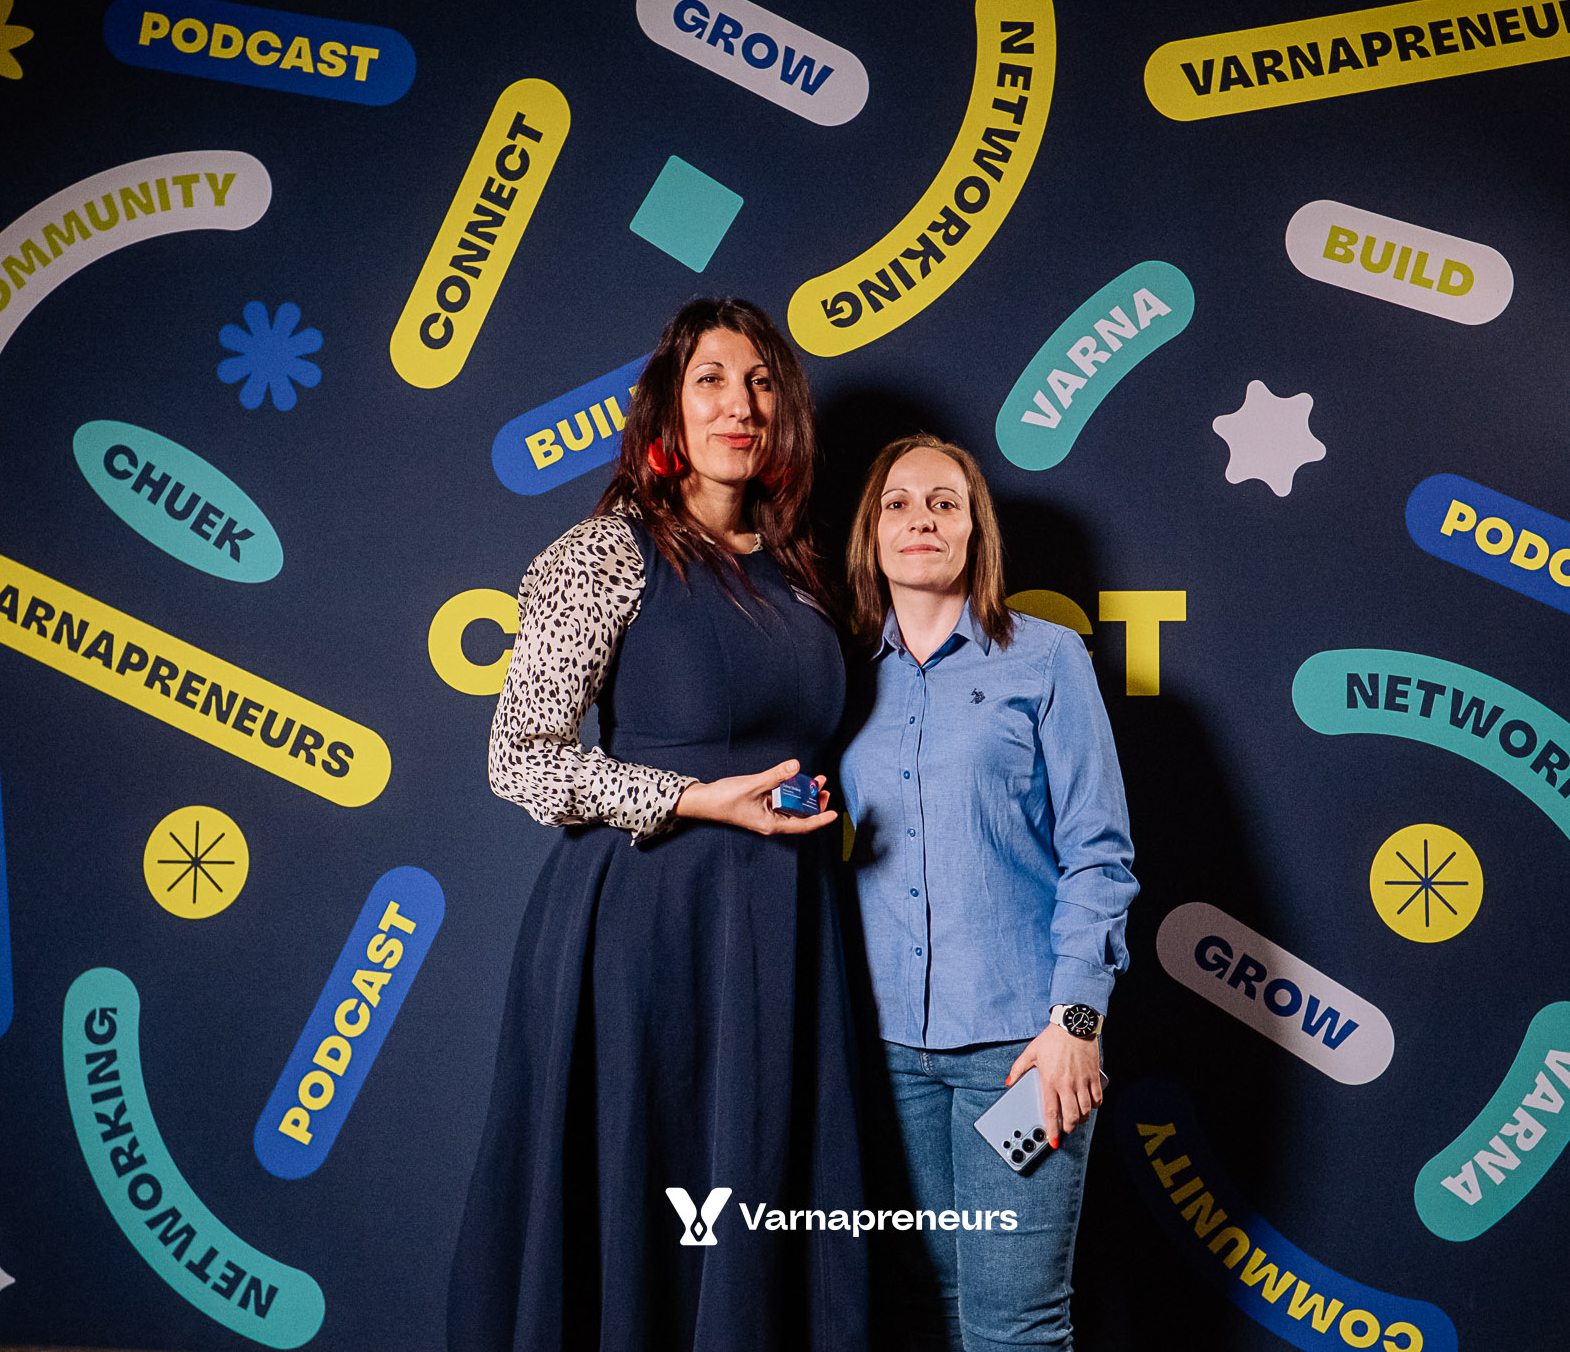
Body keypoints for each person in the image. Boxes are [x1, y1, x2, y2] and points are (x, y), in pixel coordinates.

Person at [449, 298, 867, 1351]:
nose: (740, 404)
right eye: (711, 380)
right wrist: (687, 798)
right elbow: (517, 756)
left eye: (761, 382)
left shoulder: (804, 567)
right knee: (653, 1194)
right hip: (648, 927)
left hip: (789, 927)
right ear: (667, 411)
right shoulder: (604, 554)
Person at [838, 435, 1137, 1351]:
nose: (920, 520)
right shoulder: (842, 675)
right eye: (897, 503)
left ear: (976, 532)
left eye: (945, 503)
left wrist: (1076, 1023)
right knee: (937, 1303)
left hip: (1021, 1056)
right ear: (871, 531)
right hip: (890, 1057)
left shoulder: (1045, 659)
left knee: (1014, 1321)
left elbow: (1099, 852)